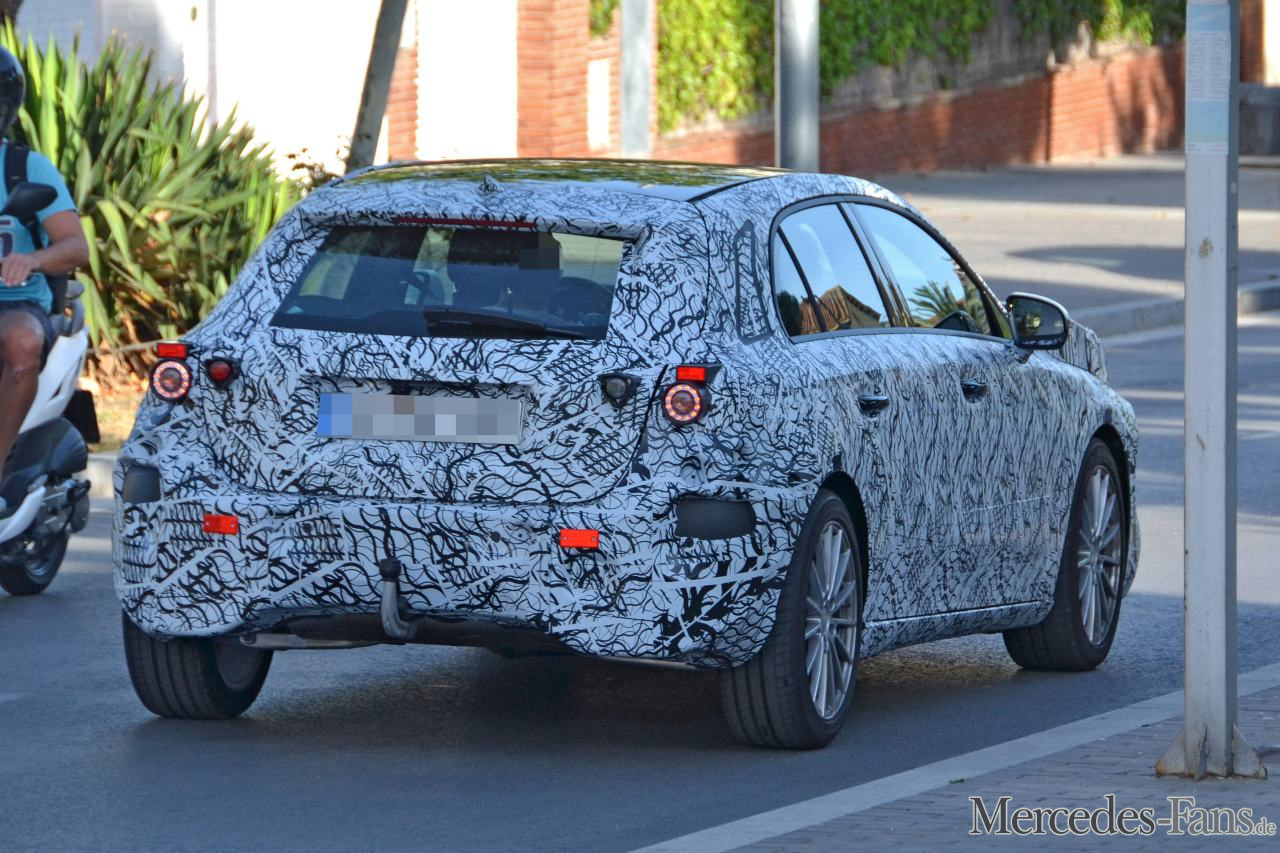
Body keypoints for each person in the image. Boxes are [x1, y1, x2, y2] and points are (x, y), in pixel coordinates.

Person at [0, 47, 89, 517]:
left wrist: (32, 259)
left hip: (17, 305)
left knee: (21, 341)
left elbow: (76, 247)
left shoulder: (25, 168)